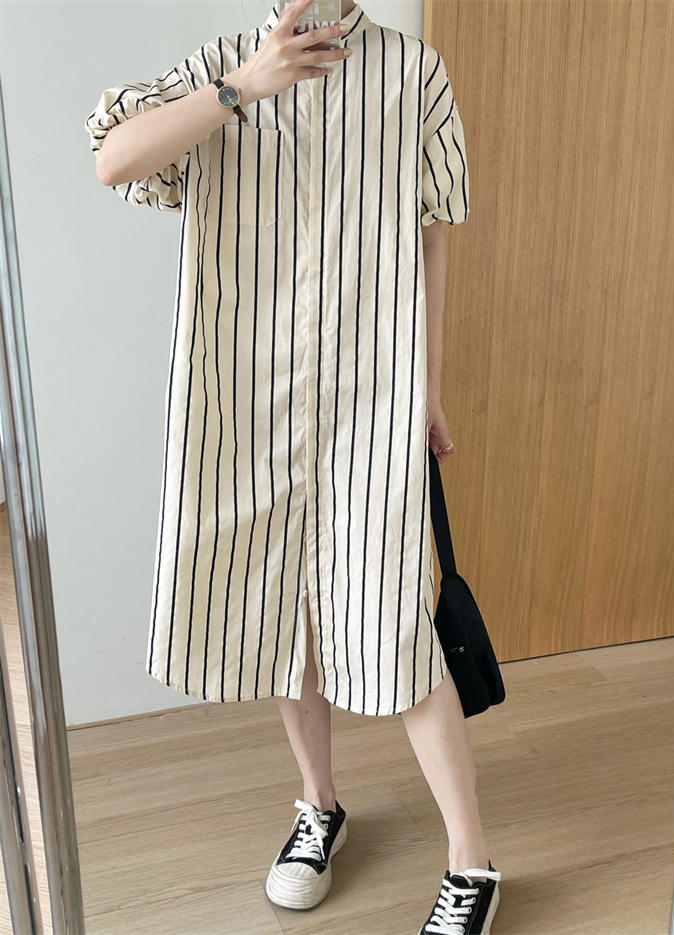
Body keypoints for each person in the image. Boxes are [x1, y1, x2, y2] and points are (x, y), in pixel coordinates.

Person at [85, 0, 500, 931]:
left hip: (370, 398)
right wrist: (240, 89)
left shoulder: (411, 74)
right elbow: (114, 159)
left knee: (396, 619)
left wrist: (429, 385)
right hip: (247, 402)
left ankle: (472, 861)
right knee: (283, 607)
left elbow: (434, 230)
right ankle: (319, 805)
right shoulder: (223, 62)